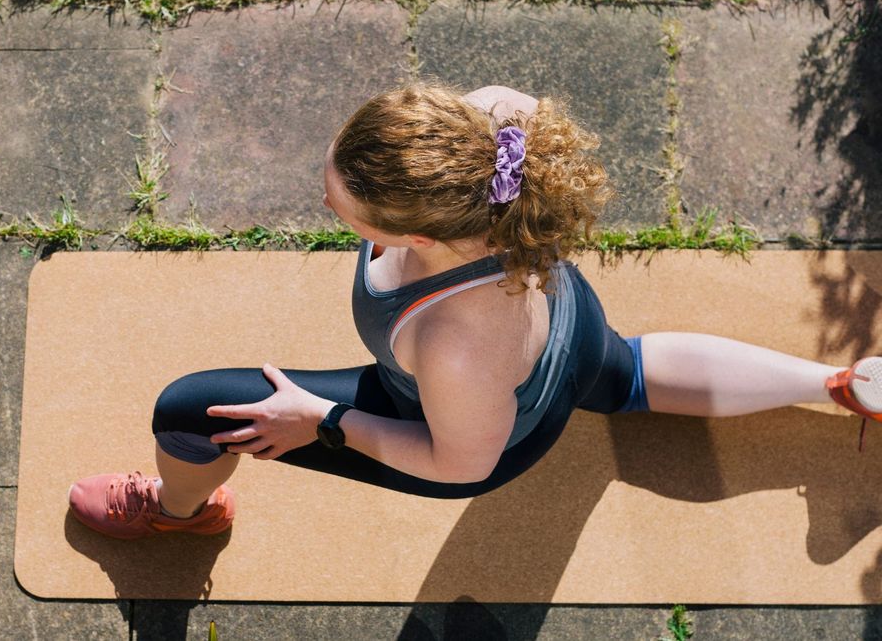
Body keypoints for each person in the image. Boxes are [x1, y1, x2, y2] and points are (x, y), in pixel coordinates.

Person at [67, 79, 882, 540]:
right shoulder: (497, 126)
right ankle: (840, 381)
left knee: (189, 409)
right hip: (569, 324)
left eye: (338, 204)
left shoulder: (456, 344)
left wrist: (319, 418)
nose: (323, 198)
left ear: (417, 231)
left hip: (494, 412)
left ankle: (181, 513)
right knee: (624, 369)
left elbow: (462, 463)